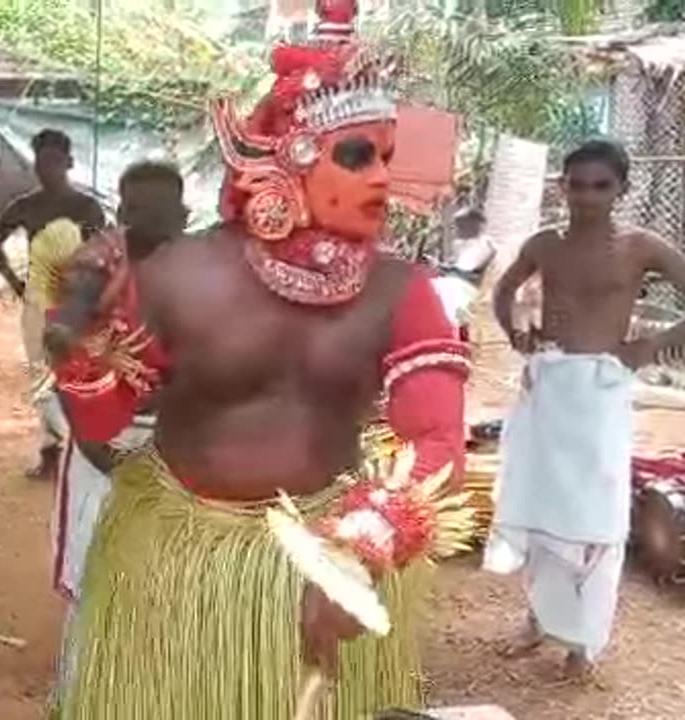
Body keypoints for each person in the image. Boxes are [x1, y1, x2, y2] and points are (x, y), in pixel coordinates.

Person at [42, 2, 472, 716]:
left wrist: (355, 553)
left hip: (330, 565)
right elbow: (105, 419)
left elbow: (437, 442)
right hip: (178, 568)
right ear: (287, 159)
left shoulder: (402, 290)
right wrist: (84, 343)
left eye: (387, 158)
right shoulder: (182, 273)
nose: (380, 180)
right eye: (357, 156)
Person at [484, 138, 685, 679]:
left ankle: (581, 644)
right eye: (576, 184)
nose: (587, 197)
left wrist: (650, 347)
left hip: (601, 391)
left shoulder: (643, 247)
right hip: (548, 386)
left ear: (621, 188)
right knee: (541, 506)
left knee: (594, 517)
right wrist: (516, 331)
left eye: (601, 186)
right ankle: (538, 620)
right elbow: (503, 292)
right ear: (562, 186)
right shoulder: (545, 244)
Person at [47, 160, 187, 698]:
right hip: (105, 441)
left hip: (179, 443)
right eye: (134, 209)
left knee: (170, 580)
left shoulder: (203, 269)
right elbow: (64, 344)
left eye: (158, 209)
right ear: (119, 211)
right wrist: (92, 445)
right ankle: (89, 697)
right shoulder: (96, 265)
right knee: (100, 576)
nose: (144, 220)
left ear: (183, 213)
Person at [0, 128, 107, 479]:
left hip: (78, 302)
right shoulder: (27, 206)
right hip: (40, 301)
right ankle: (52, 450)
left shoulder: (87, 207)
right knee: (42, 375)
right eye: (41, 161)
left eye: (53, 161)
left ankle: (78, 448)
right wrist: (15, 282)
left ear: (68, 162)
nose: (46, 168)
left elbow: (102, 253)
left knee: (77, 374)